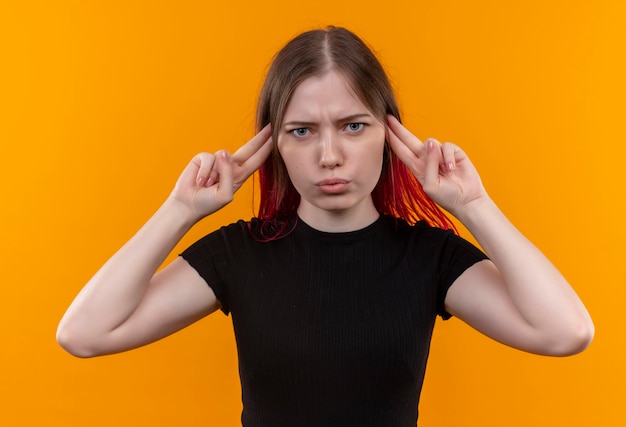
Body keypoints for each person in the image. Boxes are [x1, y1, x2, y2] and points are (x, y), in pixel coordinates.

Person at [57, 27, 594, 426]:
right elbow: (83, 334)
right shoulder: (239, 253)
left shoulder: (430, 258)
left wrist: (474, 204)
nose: (330, 155)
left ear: (389, 134)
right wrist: (180, 209)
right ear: (275, 144)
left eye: (353, 126)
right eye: (302, 130)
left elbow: (566, 332)